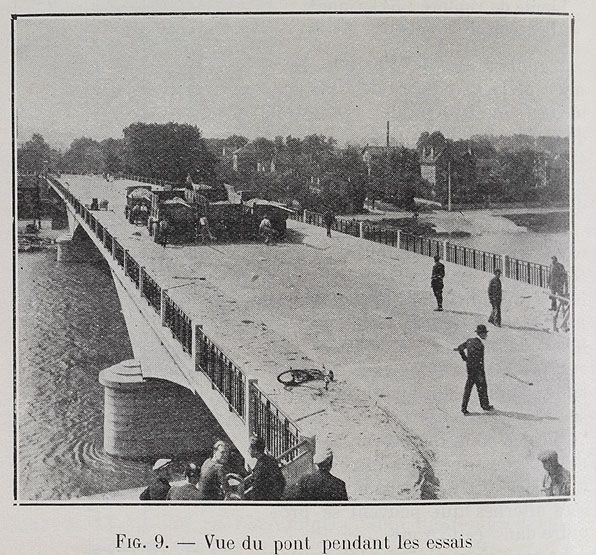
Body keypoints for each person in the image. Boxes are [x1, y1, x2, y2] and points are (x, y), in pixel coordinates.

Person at [282, 447, 348, 501]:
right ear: (330, 464)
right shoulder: (339, 484)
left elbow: (289, 497)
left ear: (317, 464)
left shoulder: (305, 480)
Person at [456, 325, 494, 415]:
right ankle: (485, 405)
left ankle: (464, 408)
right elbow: (477, 359)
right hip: (478, 370)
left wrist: (465, 358)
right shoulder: (479, 345)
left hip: (470, 369)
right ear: (481, 334)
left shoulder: (469, 340)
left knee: (468, 389)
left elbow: (460, 348)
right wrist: (479, 370)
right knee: (482, 387)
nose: (486, 335)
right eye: (485, 333)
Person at [245, 436, 286, 501]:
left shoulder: (263, 465)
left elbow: (280, 482)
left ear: (256, 450)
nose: (248, 450)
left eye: (250, 448)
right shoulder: (266, 459)